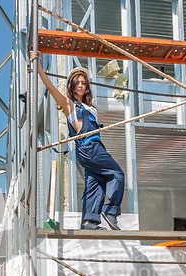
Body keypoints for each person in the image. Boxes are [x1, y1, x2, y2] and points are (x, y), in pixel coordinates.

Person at [30, 52, 124, 230]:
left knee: (95, 184)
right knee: (117, 174)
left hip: (91, 148)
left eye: (83, 83)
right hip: (89, 147)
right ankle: (111, 211)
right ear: (71, 87)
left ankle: (89, 222)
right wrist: (38, 65)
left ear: (87, 87)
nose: (80, 85)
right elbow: (50, 87)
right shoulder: (69, 105)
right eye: (77, 83)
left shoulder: (91, 108)